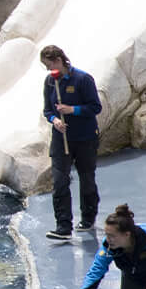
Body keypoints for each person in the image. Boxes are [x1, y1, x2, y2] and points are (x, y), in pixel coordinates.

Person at [39, 44, 100, 242]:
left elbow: (95, 107)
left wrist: (72, 110)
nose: (49, 71)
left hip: (85, 138)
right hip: (60, 139)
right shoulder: (50, 82)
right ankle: (63, 226)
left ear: (59, 61)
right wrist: (54, 120)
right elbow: (48, 110)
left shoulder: (83, 79)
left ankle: (88, 218)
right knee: (59, 181)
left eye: (50, 66)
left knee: (86, 178)